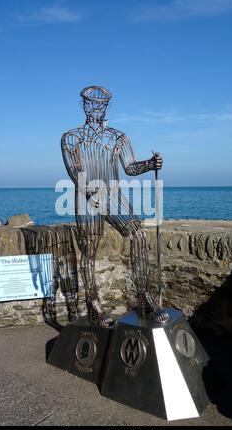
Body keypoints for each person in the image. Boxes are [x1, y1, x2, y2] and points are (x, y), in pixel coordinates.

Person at [61, 86, 169, 327]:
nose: (96, 108)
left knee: (138, 234)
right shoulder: (71, 137)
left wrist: (150, 164)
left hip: (113, 196)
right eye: (91, 103)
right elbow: (73, 168)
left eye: (101, 104)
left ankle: (144, 297)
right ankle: (94, 305)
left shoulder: (117, 137)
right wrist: (89, 190)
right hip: (86, 197)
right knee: (90, 250)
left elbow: (130, 168)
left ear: (107, 107)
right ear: (84, 105)